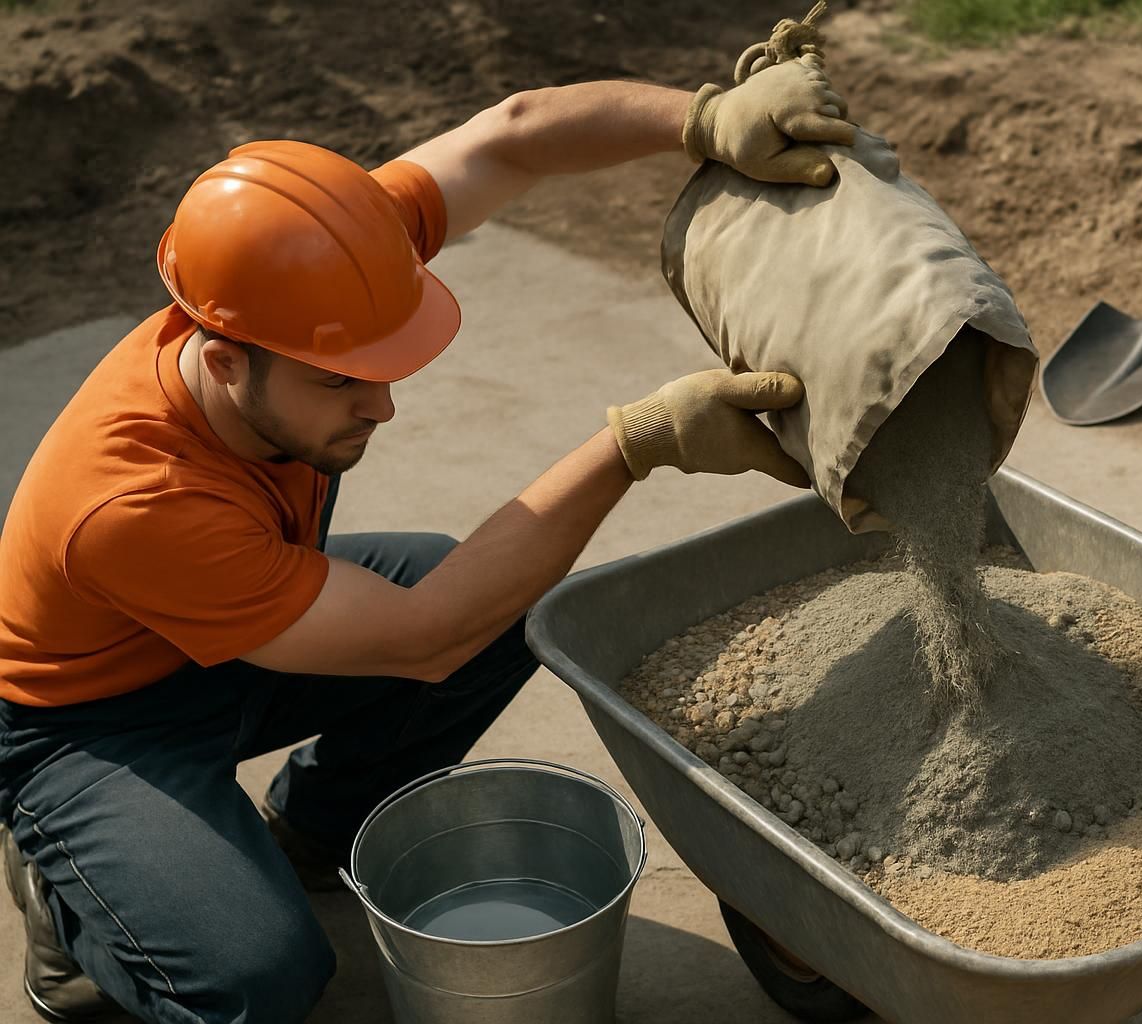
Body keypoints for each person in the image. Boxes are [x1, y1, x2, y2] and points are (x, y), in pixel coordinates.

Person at [0, 53, 853, 1023]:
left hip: (229, 627)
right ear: (226, 361)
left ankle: (312, 830)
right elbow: (426, 637)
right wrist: (636, 443)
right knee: (256, 980)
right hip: (92, 721)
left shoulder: (312, 271)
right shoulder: (135, 502)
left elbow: (513, 135)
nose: (383, 406)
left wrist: (704, 117)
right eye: (340, 381)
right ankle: (70, 898)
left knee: (495, 596)